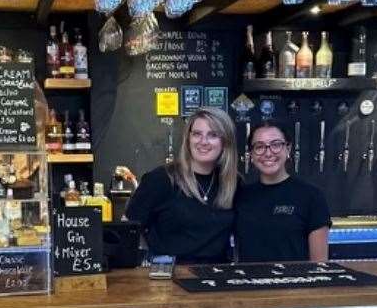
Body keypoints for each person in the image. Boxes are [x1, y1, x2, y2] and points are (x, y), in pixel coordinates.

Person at [125, 107, 239, 264]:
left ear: (226, 142)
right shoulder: (162, 179)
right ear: (188, 139)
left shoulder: (233, 183)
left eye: (213, 135)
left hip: (216, 276)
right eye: (197, 134)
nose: (203, 142)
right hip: (167, 277)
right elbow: (127, 230)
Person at [234, 120, 331, 262]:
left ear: (288, 149)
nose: (268, 153)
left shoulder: (311, 196)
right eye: (259, 146)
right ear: (252, 154)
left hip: (293, 282)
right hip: (248, 282)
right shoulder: (241, 196)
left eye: (276, 145)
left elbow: (319, 264)